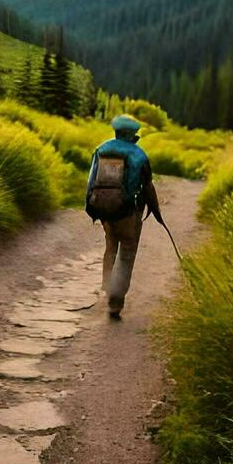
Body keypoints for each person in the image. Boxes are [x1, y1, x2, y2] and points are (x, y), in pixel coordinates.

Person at [87, 115, 162, 319]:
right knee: (127, 253)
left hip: (106, 212)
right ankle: (115, 302)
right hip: (129, 213)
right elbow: (147, 186)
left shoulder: (101, 149)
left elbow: (91, 181)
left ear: (116, 132)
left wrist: (93, 208)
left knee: (111, 247)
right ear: (133, 135)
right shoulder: (139, 155)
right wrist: (157, 214)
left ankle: (108, 286)